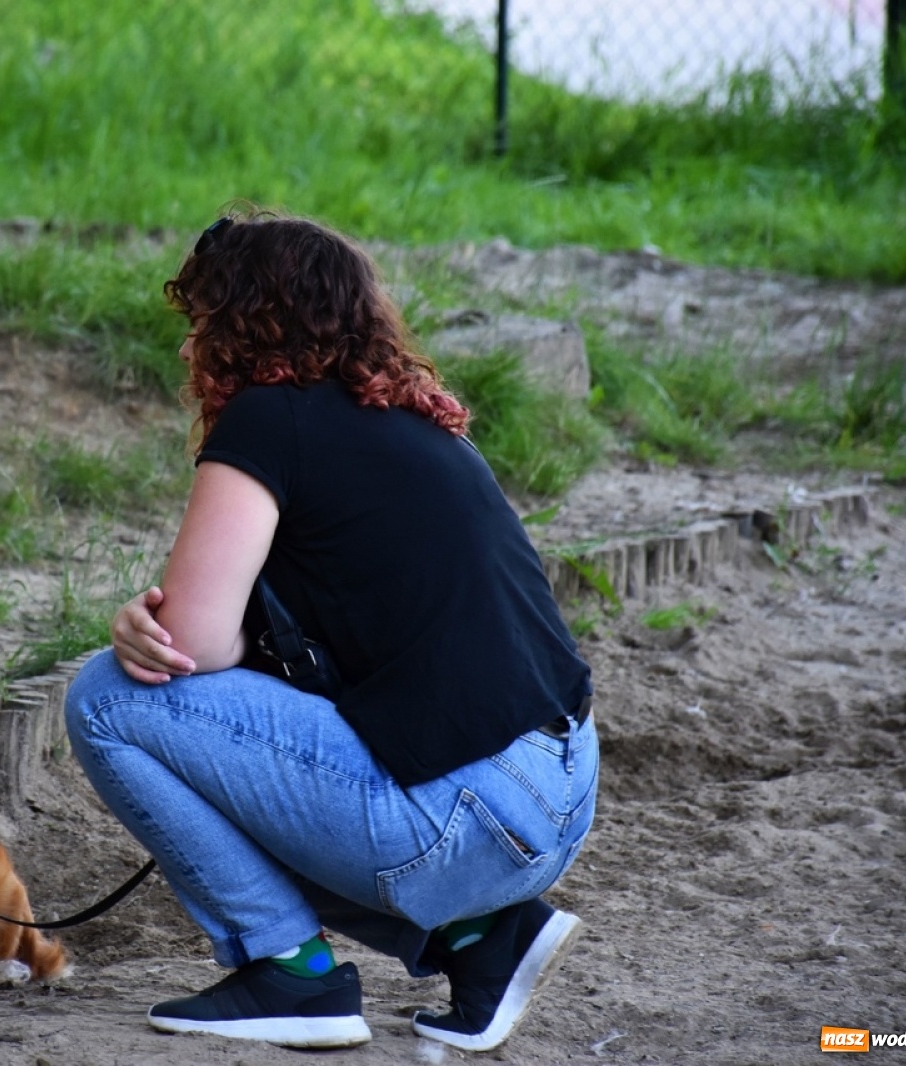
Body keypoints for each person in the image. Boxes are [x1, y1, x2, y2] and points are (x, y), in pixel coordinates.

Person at [63, 211, 598, 1052]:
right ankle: (484, 939)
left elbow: (188, 652)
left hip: (469, 816)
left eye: (200, 324)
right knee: (248, 740)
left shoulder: (270, 420)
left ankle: (291, 972)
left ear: (239, 324)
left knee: (107, 699)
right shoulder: (420, 424)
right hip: (559, 790)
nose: (187, 352)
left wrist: (139, 629)